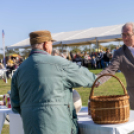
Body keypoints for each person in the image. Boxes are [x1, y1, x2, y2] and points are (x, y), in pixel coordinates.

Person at [11, 30, 97, 134]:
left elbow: (15, 104)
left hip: (30, 127)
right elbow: (90, 78)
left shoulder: (19, 70)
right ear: (46, 44)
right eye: (51, 43)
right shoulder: (58, 64)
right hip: (59, 127)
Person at [96, 22, 134, 109]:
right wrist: (97, 79)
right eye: (123, 35)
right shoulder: (119, 53)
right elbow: (110, 69)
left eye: (128, 34)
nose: (125, 38)